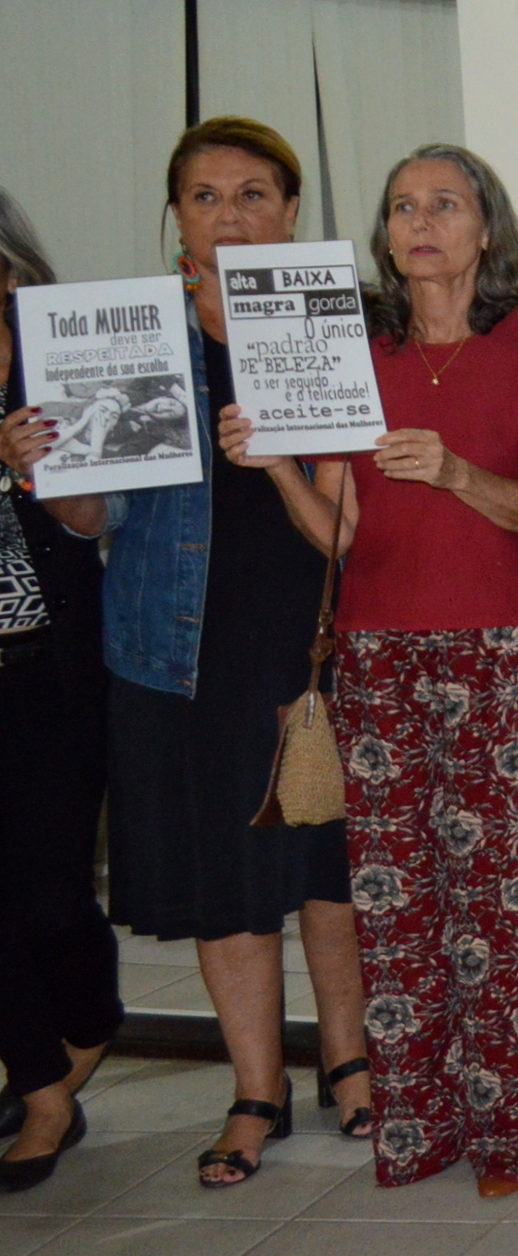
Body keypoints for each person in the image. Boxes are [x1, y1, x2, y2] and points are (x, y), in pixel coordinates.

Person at [0, 120, 375, 1188]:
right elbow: (88, 519)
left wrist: (273, 458)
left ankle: (350, 1063)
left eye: (254, 193)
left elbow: (353, 524)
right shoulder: (125, 334)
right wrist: (49, 470)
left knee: (326, 874)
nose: (230, 215)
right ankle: (257, 1089)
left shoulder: (325, 324)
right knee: (222, 887)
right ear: (178, 216)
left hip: (308, 644)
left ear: (292, 211)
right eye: (205, 196)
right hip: (173, 656)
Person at [215, 146, 518, 1197]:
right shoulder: (354, 350)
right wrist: (276, 458)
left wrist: (458, 471)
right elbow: (341, 527)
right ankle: (419, 1130)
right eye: (402, 206)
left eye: (446, 204)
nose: (422, 223)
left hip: (505, 650)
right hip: (377, 653)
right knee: (400, 910)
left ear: (487, 229)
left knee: (511, 908)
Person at [0, 192, 122, 1194]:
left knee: (48, 896)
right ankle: (43, 1087)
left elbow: (92, 516)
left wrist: (41, 474)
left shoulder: (59, 343)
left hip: (51, 668)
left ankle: (84, 1023)